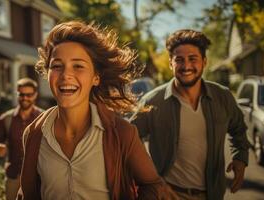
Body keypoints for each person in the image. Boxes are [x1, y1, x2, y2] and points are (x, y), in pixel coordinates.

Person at [17, 21, 176, 200]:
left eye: (78, 66)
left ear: (96, 77)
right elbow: (26, 193)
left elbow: (153, 185)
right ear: (48, 74)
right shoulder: (34, 134)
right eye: (56, 66)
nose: (65, 75)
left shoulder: (122, 133)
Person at [131, 29, 250, 200]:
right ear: (171, 64)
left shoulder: (222, 97)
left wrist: (240, 157)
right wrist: (151, 179)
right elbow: (129, 139)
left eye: (192, 59)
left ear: (204, 62)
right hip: (166, 195)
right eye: (179, 60)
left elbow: (238, 128)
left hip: (211, 195)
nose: (186, 66)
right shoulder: (153, 101)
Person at [0, 78, 43, 200]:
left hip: (37, 178)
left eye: (29, 95)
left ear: (35, 95)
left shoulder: (43, 119)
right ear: (17, 94)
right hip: (13, 176)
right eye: (21, 94)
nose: (25, 98)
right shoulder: (6, 118)